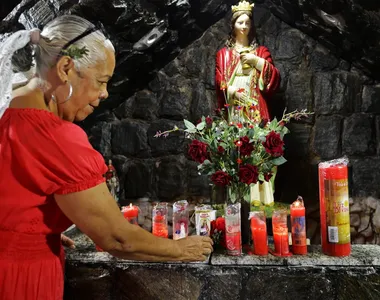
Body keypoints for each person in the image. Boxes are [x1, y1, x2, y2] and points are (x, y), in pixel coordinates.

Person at [0, 15, 213, 300]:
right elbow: (116, 238)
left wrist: (29, 231)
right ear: (65, 68)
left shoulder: (6, 104)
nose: (104, 94)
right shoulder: (57, 137)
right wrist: (181, 249)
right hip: (20, 280)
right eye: (101, 81)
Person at [215, 1, 280, 205]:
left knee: (258, 148)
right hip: (235, 108)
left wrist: (256, 62)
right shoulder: (224, 54)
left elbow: (274, 76)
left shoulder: (260, 51)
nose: (244, 26)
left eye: (247, 23)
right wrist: (232, 91)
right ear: (233, 24)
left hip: (255, 106)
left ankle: (260, 197)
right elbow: (219, 80)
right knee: (237, 147)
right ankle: (239, 196)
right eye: (240, 22)